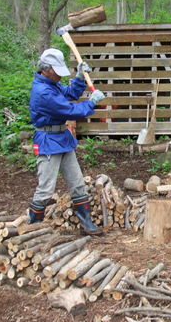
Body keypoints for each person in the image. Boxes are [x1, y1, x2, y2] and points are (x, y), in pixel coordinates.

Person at [28, 48, 106, 235]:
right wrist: (91, 102)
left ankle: (86, 224)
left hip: (62, 138)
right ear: (45, 69)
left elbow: (69, 93)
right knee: (46, 189)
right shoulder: (43, 91)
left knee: (77, 183)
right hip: (47, 141)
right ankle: (32, 228)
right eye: (56, 71)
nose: (59, 75)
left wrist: (79, 78)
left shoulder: (52, 84)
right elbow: (70, 111)